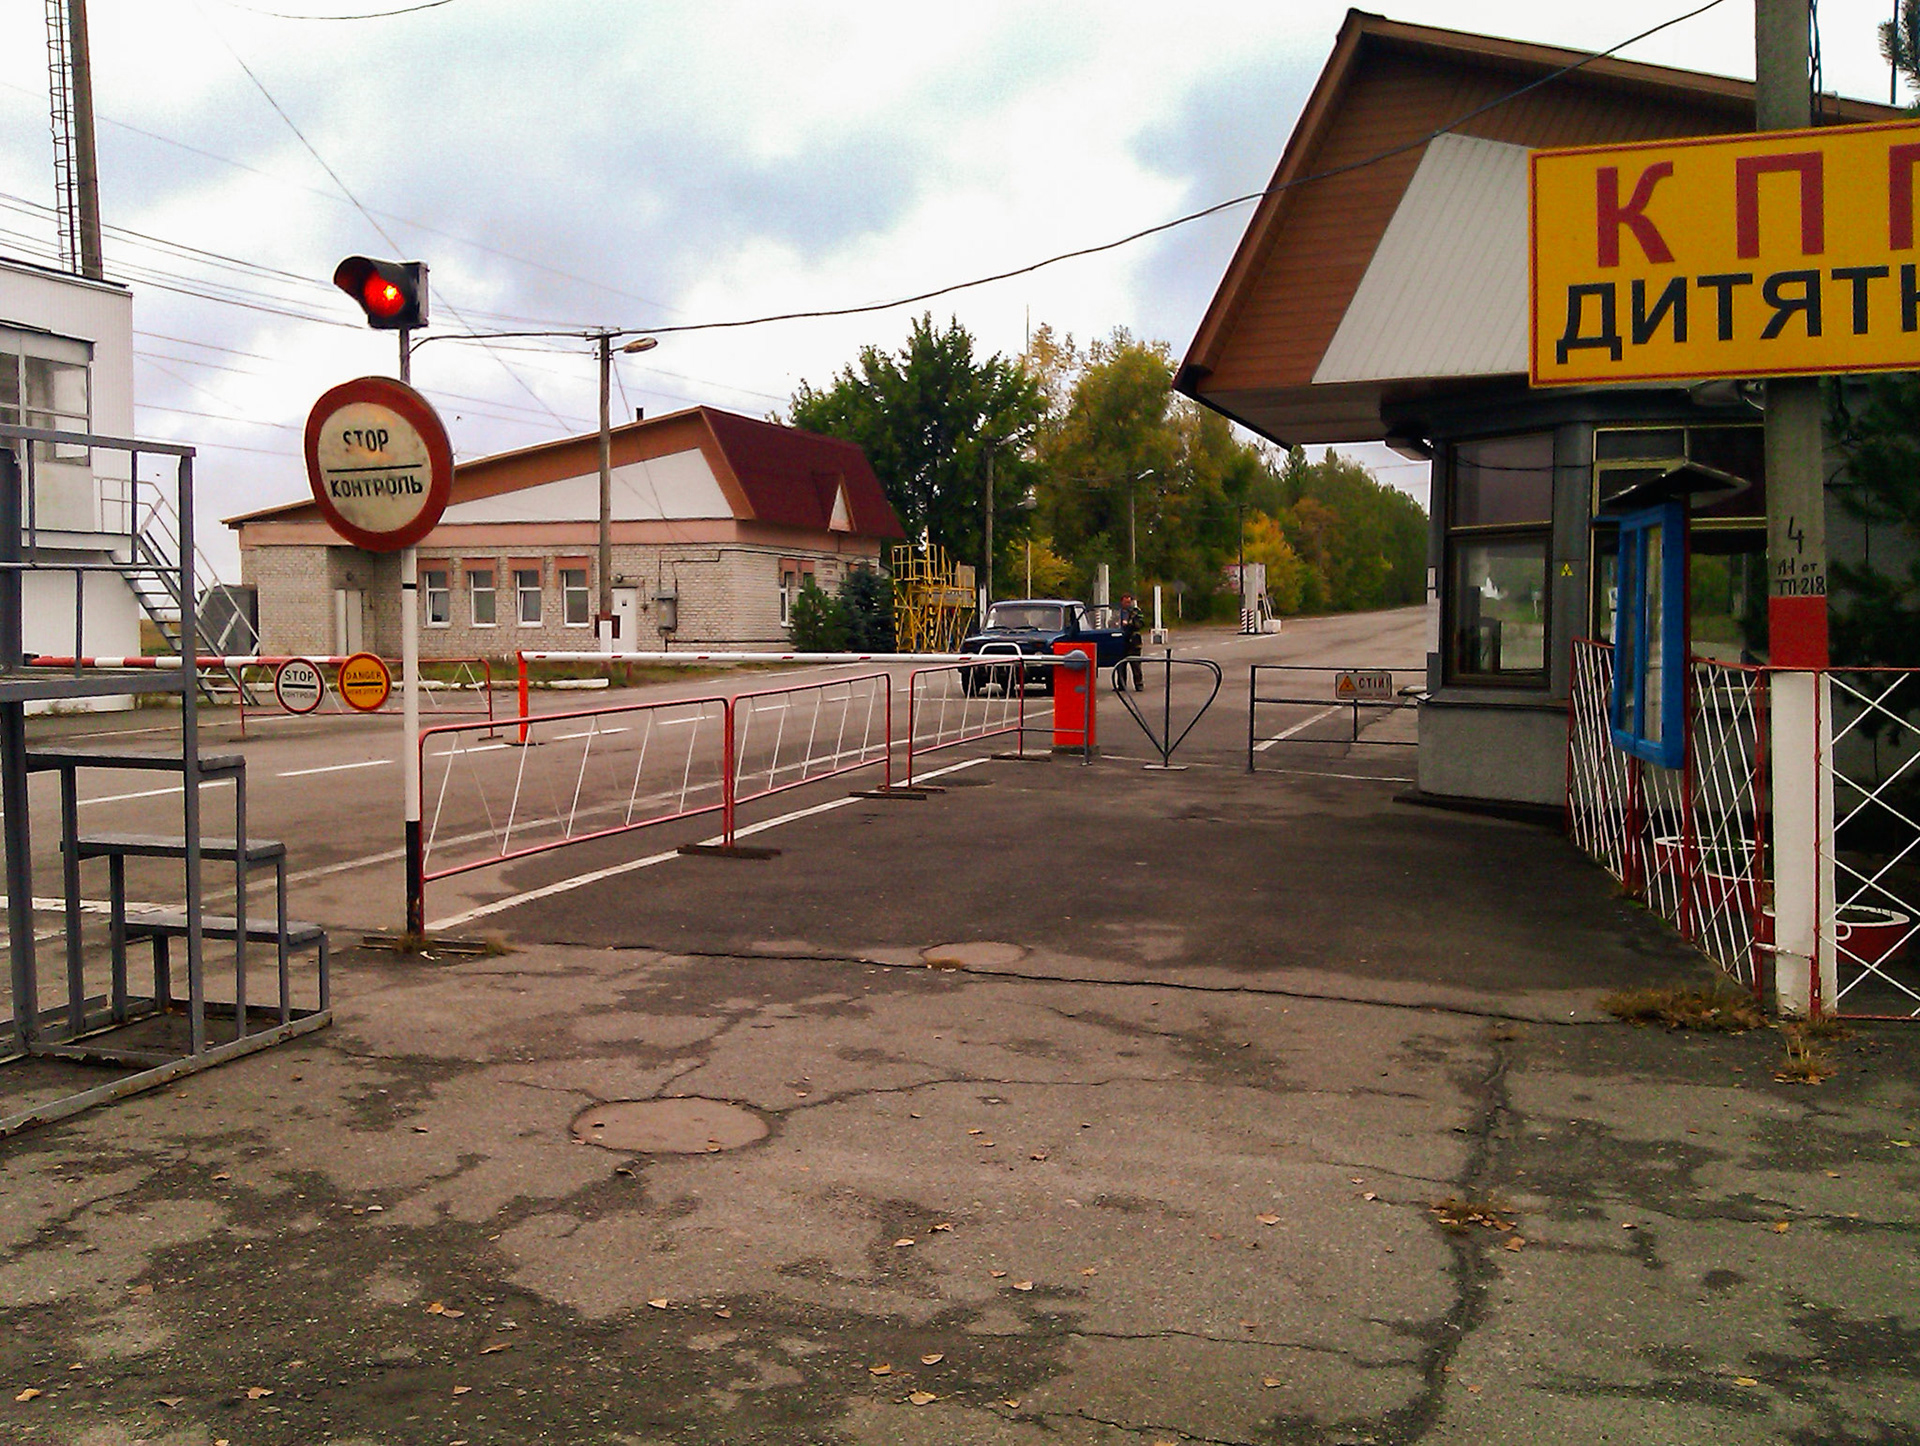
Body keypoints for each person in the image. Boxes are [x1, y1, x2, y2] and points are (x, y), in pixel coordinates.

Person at [1116, 593, 1145, 691]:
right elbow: (1112, 623)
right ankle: (1121, 685)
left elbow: (1140, 623)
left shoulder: (1136, 612)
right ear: (1121, 602)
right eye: (1125, 602)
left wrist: (1129, 623)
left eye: (1129, 602)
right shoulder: (1118, 612)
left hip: (1134, 642)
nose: (1127, 604)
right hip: (1121, 641)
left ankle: (1139, 684)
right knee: (1120, 665)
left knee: (1135, 664)